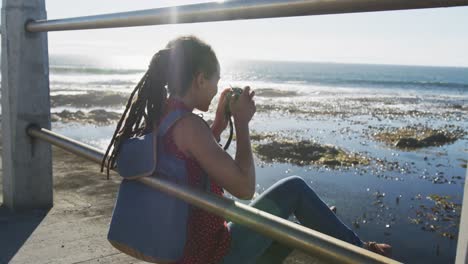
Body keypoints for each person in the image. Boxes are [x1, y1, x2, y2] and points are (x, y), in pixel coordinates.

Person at [102, 35, 391, 264]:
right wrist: (241, 123)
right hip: (208, 255)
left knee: (291, 227)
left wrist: (216, 124)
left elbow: (189, 161)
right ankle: (362, 254)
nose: (216, 88)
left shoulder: (164, 115)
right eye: (215, 80)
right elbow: (244, 188)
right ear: (200, 78)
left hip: (183, 249)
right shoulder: (190, 126)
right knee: (294, 190)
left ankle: (329, 233)